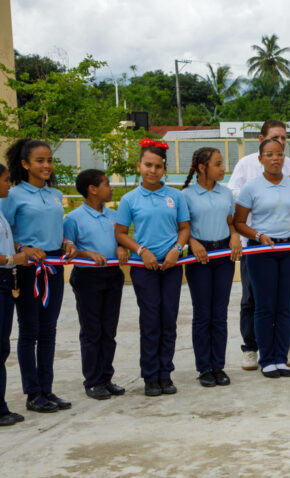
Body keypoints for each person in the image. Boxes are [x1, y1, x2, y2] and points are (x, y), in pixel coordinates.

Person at [2, 139, 77, 413]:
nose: (46, 166)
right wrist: (24, 249)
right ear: (25, 164)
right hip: (28, 269)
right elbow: (6, 232)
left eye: (49, 160)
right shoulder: (13, 195)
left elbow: (57, 226)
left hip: (54, 266)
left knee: (49, 330)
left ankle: (47, 388)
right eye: (39, 161)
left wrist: (67, 242)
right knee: (30, 331)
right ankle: (33, 393)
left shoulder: (55, 194)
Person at [115, 139, 190, 397]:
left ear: (164, 169)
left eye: (158, 166)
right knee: (150, 321)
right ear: (139, 166)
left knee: (168, 319)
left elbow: (184, 228)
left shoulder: (175, 196)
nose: (153, 170)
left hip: (171, 266)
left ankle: (165, 373)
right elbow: (121, 233)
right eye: (148, 165)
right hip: (143, 268)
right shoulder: (129, 199)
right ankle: (150, 376)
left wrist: (176, 250)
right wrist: (141, 251)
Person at [228, 119, 290, 370]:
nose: (276, 156)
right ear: (261, 155)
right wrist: (258, 235)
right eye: (271, 153)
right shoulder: (249, 182)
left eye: (281, 151)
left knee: (285, 305)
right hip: (260, 249)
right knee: (260, 304)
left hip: (289, 251)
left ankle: (280, 354)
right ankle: (261, 355)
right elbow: (238, 219)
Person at [64, 169, 129, 400]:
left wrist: (122, 248)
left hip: (112, 275)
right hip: (88, 278)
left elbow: (122, 238)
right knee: (92, 331)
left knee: (108, 330)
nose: (111, 188)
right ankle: (92, 380)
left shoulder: (113, 216)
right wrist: (85, 252)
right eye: (106, 184)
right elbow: (68, 250)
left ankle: (106, 377)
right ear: (92, 189)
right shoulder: (73, 218)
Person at [182, 148, 241, 386]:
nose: (223, 168)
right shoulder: (185, 195)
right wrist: (192, 242)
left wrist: (235, 235)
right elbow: (182, 227)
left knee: (220, 313)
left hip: (223, 256)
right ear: (202, 168)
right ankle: (204, 367)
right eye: (218, 164)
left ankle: (219, 365)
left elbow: (231, 223)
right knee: (203, 313)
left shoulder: (226, 194)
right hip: (199, 258)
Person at [0, 163, 31, 426]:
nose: (9, 184)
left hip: (5, 280)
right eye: (6, 180)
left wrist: (21, 248)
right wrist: (15, 258)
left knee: (2, 346)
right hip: (1, 277)